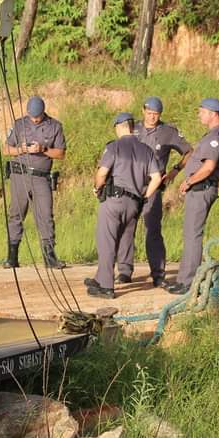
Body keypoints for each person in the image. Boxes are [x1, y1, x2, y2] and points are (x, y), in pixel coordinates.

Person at [116, 96, 192, 287]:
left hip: (153, 186)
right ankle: (125, 271)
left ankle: (158, 273)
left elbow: (189, 151)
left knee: (153, 229)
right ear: (143, 111)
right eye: (149, 113)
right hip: (131, 185)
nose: (152, 117)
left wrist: (175, 170)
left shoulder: (168, 132)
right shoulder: (133, 129)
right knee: (127, 227)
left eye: (156, 114)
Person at [85, 113, 162, 299]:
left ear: (119, 127)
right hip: (134, 202)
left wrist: (97, 187)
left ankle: (106, 286)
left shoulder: (114, 147)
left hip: (114, 200)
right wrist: (145, 196)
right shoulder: (146, 150)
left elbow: (102, 173)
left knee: (107, 240)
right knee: (126, 236)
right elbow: (157, 178)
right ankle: (116, 274)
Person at [166, 98, 219, 295]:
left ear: (213, 113)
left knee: (193, 235)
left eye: (202, 111)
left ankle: (188, 282)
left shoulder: (216, 136)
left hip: (201, 188)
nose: (199, 115)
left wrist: (189, 181)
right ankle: (183, 279)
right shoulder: (216, 135)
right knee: (190, 234)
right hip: (202, 188)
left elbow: (210, 166)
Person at [2, 95, 67, 269]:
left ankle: (49, 257)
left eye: (37, 117)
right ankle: (12, 256)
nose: (35, 119)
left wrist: (43, 149)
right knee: (16, 214)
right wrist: (20, 149)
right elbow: (6, 149)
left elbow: (60, 154)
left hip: (41, 177)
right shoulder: (19, 124)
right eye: (32, 116)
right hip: (20, 176)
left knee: (45, 215)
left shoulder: (55, 127)